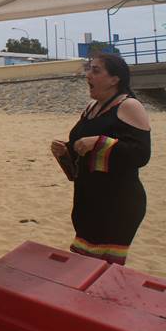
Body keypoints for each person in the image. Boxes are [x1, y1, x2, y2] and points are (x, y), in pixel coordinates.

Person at [50, 52, 150, 265]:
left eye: (96, 71)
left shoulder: (130, 106)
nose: (88, 75)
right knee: (84, 262)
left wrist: (99, 142)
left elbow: (141, 154)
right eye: (88, 69)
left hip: (118, 202)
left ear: (115, 79)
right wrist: (65, 151)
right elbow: (81, 151)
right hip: (88, 199)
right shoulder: (91, 108)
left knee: (102, 267)